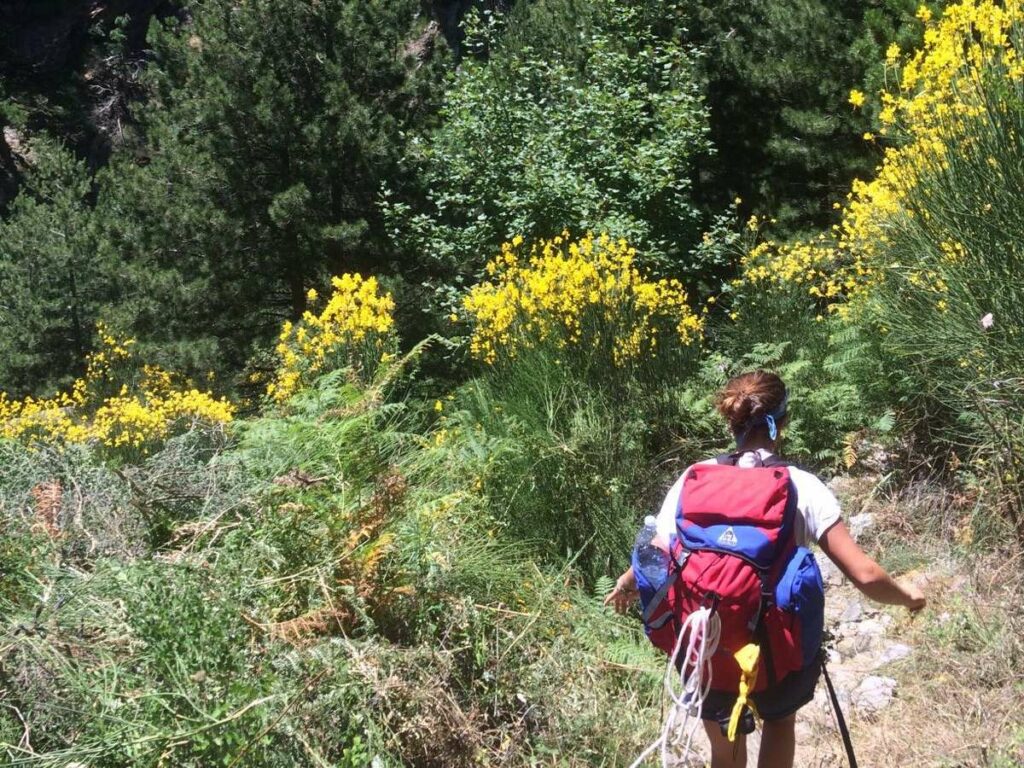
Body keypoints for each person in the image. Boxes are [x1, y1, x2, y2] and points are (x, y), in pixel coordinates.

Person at [604, 370, 925, 768]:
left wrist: (625, 582)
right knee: (779, 722)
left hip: (707, 646)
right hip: (775, 651)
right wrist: (910, 597)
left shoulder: (694, 478)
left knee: (726, 743)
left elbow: (654, 554)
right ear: (782, 422)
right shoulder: (801, 486)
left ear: (731, 422)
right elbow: (865, 575)